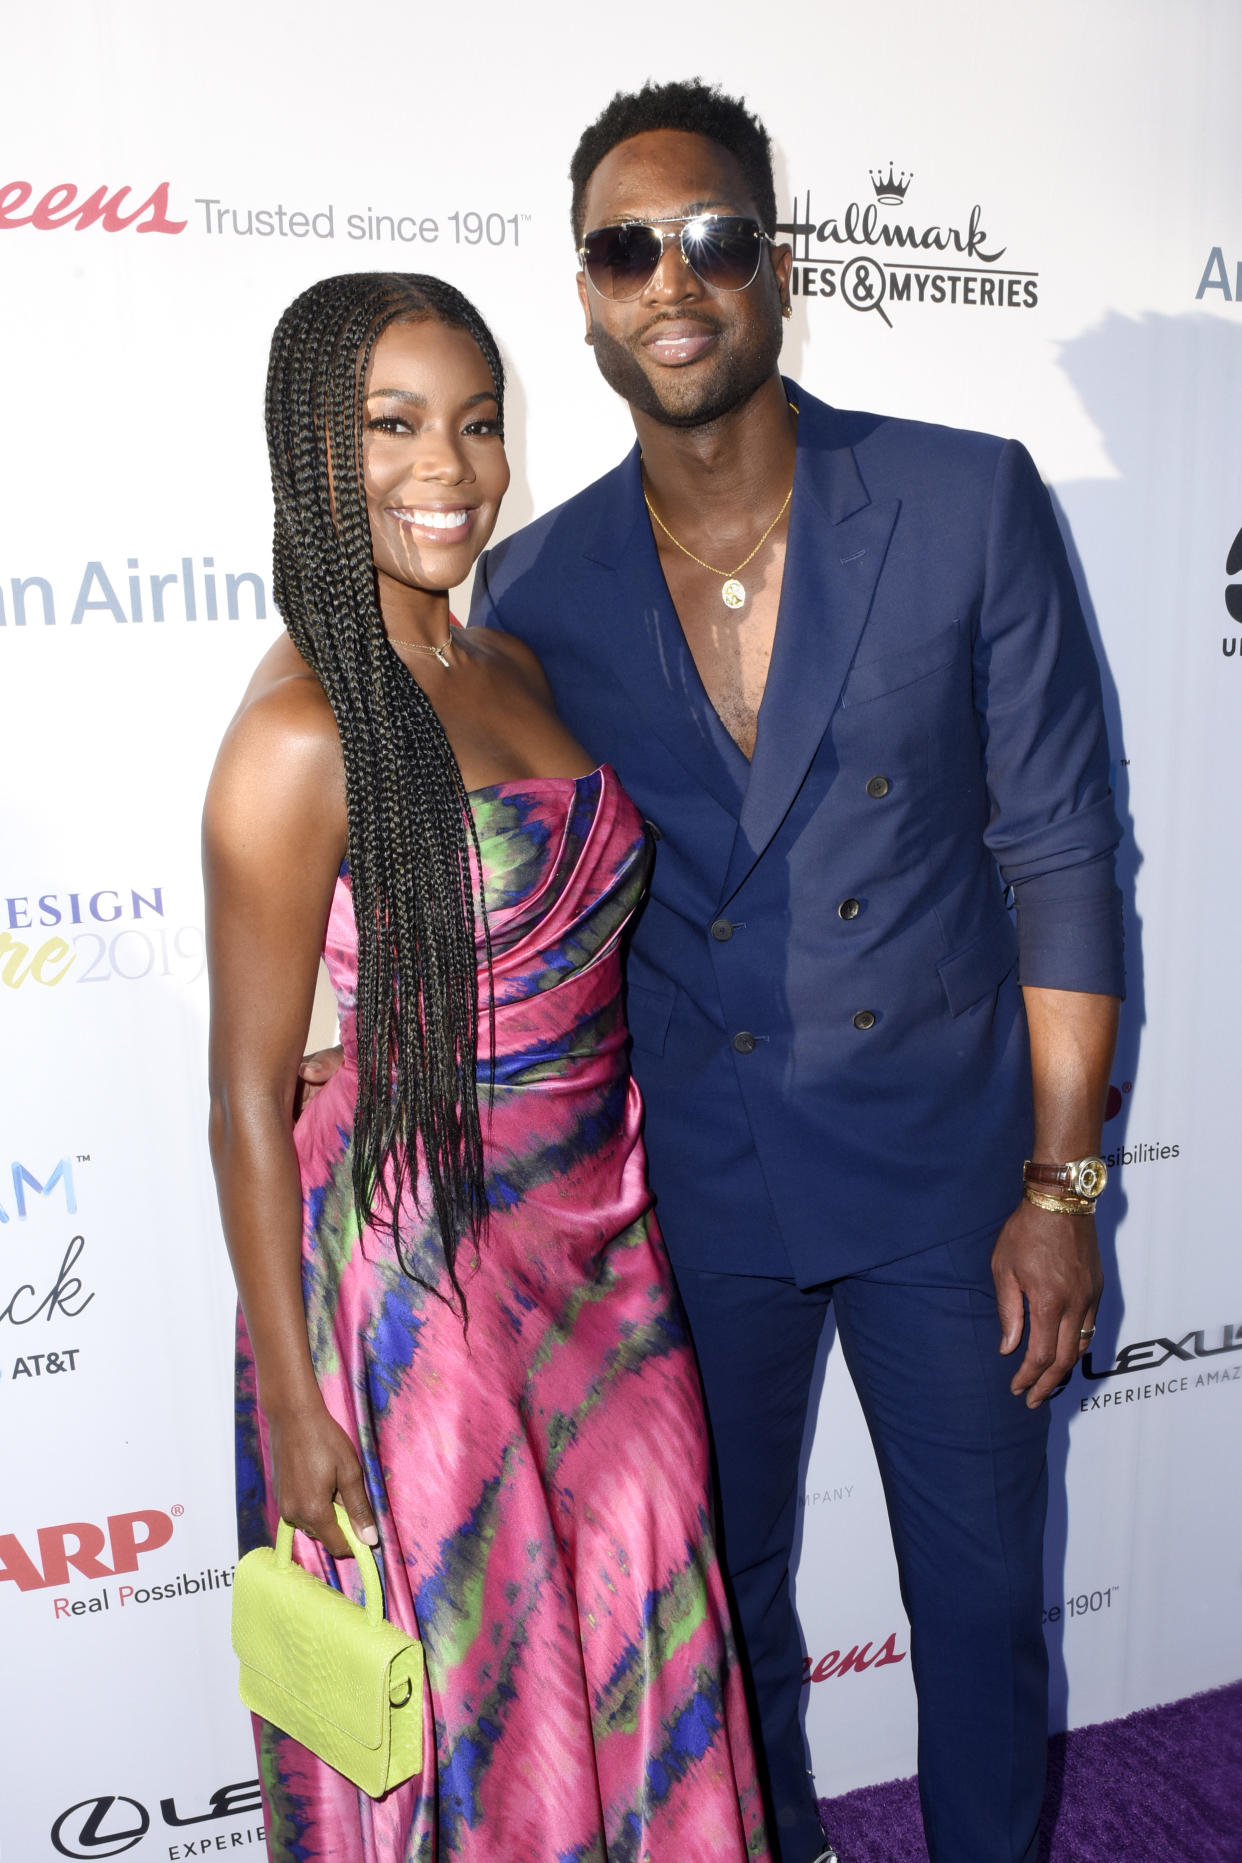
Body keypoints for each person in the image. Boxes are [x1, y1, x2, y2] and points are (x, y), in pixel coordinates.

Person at [469, 83, 1124, 1863]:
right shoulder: (531, 589)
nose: (670, 281)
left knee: (983, 1612)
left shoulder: (960, 498)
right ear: (586, 292)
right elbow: (505, 902)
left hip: (950, 1185)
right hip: (689, 1197)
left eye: (711, 239)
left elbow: (1062, 864)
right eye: (626, 248)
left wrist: (1060, 1189)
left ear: (777, 263)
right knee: (729, 1609)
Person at [204, 271, 770, 1863]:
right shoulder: (299, 731)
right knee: (483, 1693)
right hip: (419, 1282)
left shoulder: (507, 665)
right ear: (313, 453)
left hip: (603, 1239)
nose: (447, 466)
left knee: (643, 1607)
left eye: (475, 421)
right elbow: (246, 1092)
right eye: (391, 426)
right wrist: (300, 1404)